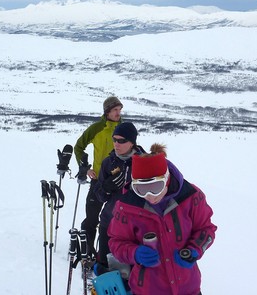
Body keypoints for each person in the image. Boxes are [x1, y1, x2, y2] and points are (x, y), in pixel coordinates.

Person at [108, 144, 217, 295]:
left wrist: (194, 249)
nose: (151, 196)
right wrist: (135, 253)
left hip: (188, 288)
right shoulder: (126, 207)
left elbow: (206, 229)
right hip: (147, 289)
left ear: (166, 179)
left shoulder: (191, 196)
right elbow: (116, 243)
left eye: (156, 187)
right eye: (142, 189)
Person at [74, 96, 123, 259]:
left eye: (120, 110)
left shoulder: (123, 129)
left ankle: (106, 255)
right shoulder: (96, 128)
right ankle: (86, 250)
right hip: (97, 181)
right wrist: (86, 168)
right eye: (115, 110)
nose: (119, 113)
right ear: (107, 111)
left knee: (111, 221)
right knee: (91, 219)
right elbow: (79, 147)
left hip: (117, 182)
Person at [94, 122, 146, 271]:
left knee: (132, 273)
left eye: (121, 140)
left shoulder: (145, 162)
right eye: (114, 139)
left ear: (132, 142)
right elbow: (99, 196)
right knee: (106, 268)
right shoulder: (108, 163)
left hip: (135, 228)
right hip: (109, 223)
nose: (116, 144)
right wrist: (106, 187)